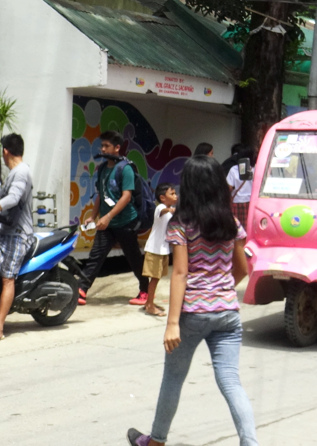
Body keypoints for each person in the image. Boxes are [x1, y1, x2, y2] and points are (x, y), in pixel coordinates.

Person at [126, 156, 257, 446]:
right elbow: (242, 269)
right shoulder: (231, 222)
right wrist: (221, 290)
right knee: (231, 382)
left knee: (173, 378)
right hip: (228, 313)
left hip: (193, 314)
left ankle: (156, 442)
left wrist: (172, 323)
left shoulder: (181, 224)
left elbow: (181, 273)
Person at [80, 131, 148, 307]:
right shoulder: (103, 168)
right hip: (107, 224)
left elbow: (126, 197)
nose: (102, 149)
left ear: (117, 148)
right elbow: (101, 195)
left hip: (125, 222)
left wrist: (108, 216)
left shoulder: (125, 168)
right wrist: (92, 216)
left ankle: (145, 290)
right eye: (102, 145)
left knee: (134, 258)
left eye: (106, 146)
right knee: (96, 256)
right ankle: (81, 290)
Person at [0, 133, 33, 344]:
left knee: (7, 277)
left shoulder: (21, 172)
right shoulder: (13, 173)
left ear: (5, 151)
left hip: (18, 233)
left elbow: (12, 199)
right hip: (4, 228)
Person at [142, 184, 177, 317]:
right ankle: (150, 305)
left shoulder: (170, 211)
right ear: (162, 197)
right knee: (154, 279)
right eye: (172, 194)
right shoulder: (160, 208)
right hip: (155, 249)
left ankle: (149, 303)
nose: (175, 196)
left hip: (162, 249)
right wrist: (171, 210)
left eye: (175, 193)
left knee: (156, 278)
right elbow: (163, 211)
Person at [226, 149, 254, 229]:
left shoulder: (233, 169)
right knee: (248, 226)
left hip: (236, 202)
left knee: (236, 227)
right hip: (250, 202)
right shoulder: (254, 169)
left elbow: (229, 188)